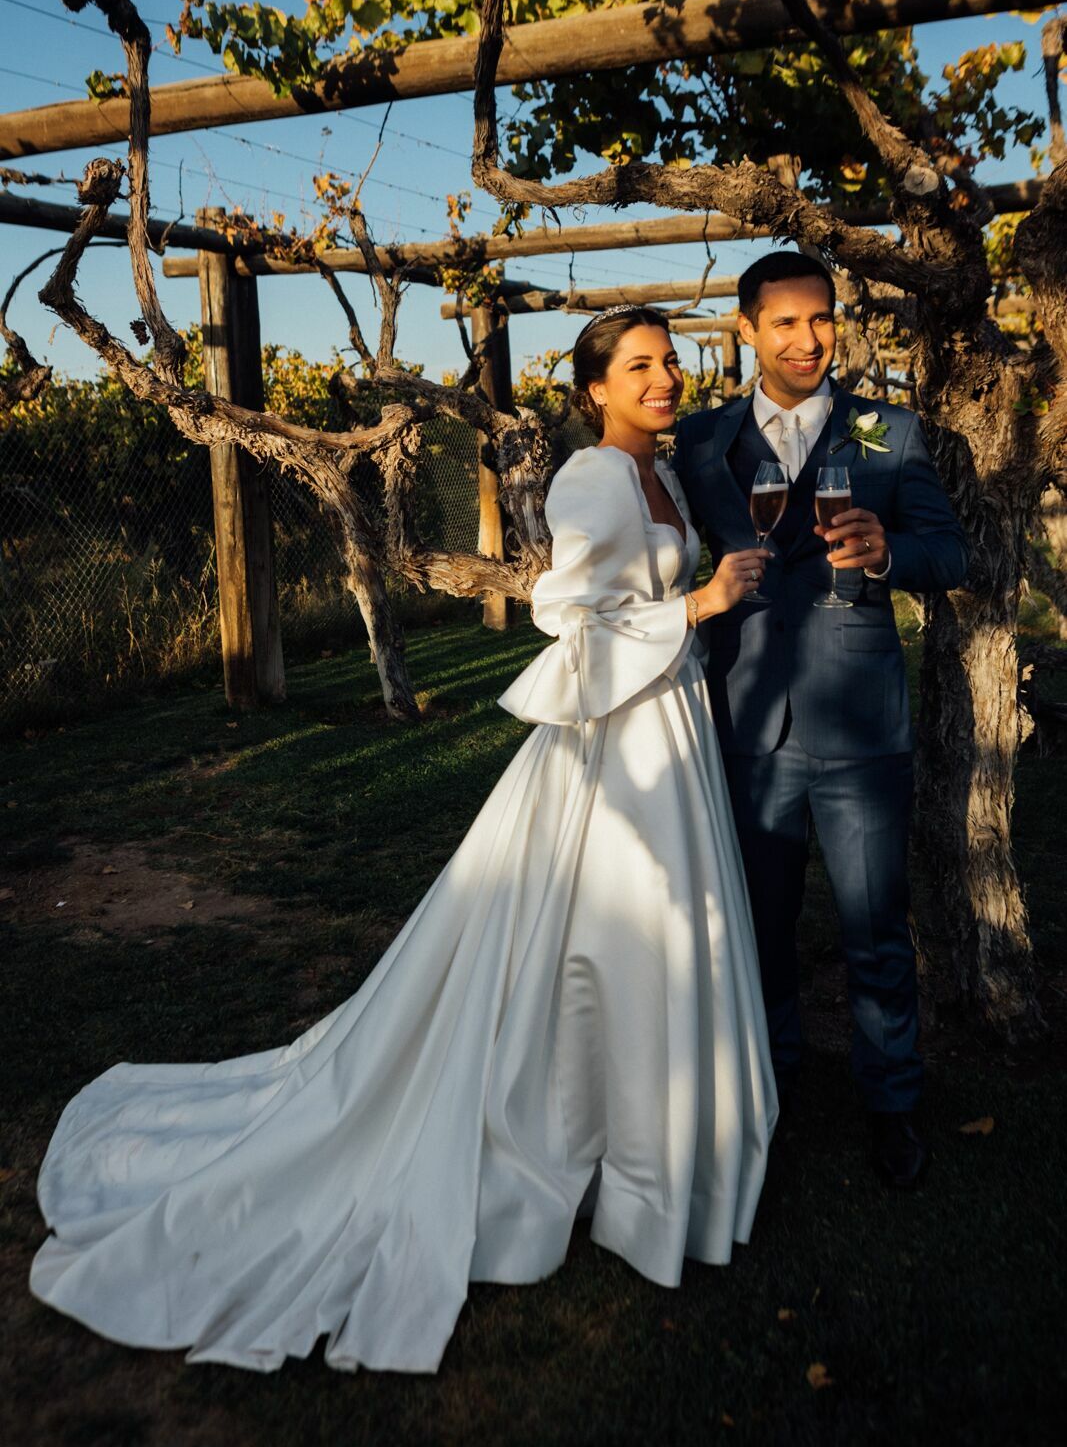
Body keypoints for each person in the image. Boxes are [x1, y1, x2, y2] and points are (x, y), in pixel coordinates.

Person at [30, 306, 777, 1376]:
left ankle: (651, 1142)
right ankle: (601, 1145)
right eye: (638, 367)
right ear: (594, 389)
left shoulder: (659, 472)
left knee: (654, 934)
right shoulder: (590, 479)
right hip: (618, 742)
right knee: (612, 937)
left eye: (668, 362)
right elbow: (565, 623)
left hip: (671, 725)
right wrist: (697, 604)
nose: (662, 379)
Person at [673, 251, 969, 1190]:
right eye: (786, 322)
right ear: (746, 329)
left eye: (822, 319)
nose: (808, 340)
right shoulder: (699, 440)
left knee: (875, 927)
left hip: (860, 723)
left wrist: (887, 554)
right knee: (758, 927)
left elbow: (948, 553)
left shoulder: (891, 431)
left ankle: (892, 1103)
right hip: (747, 719)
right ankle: (769, 1089)